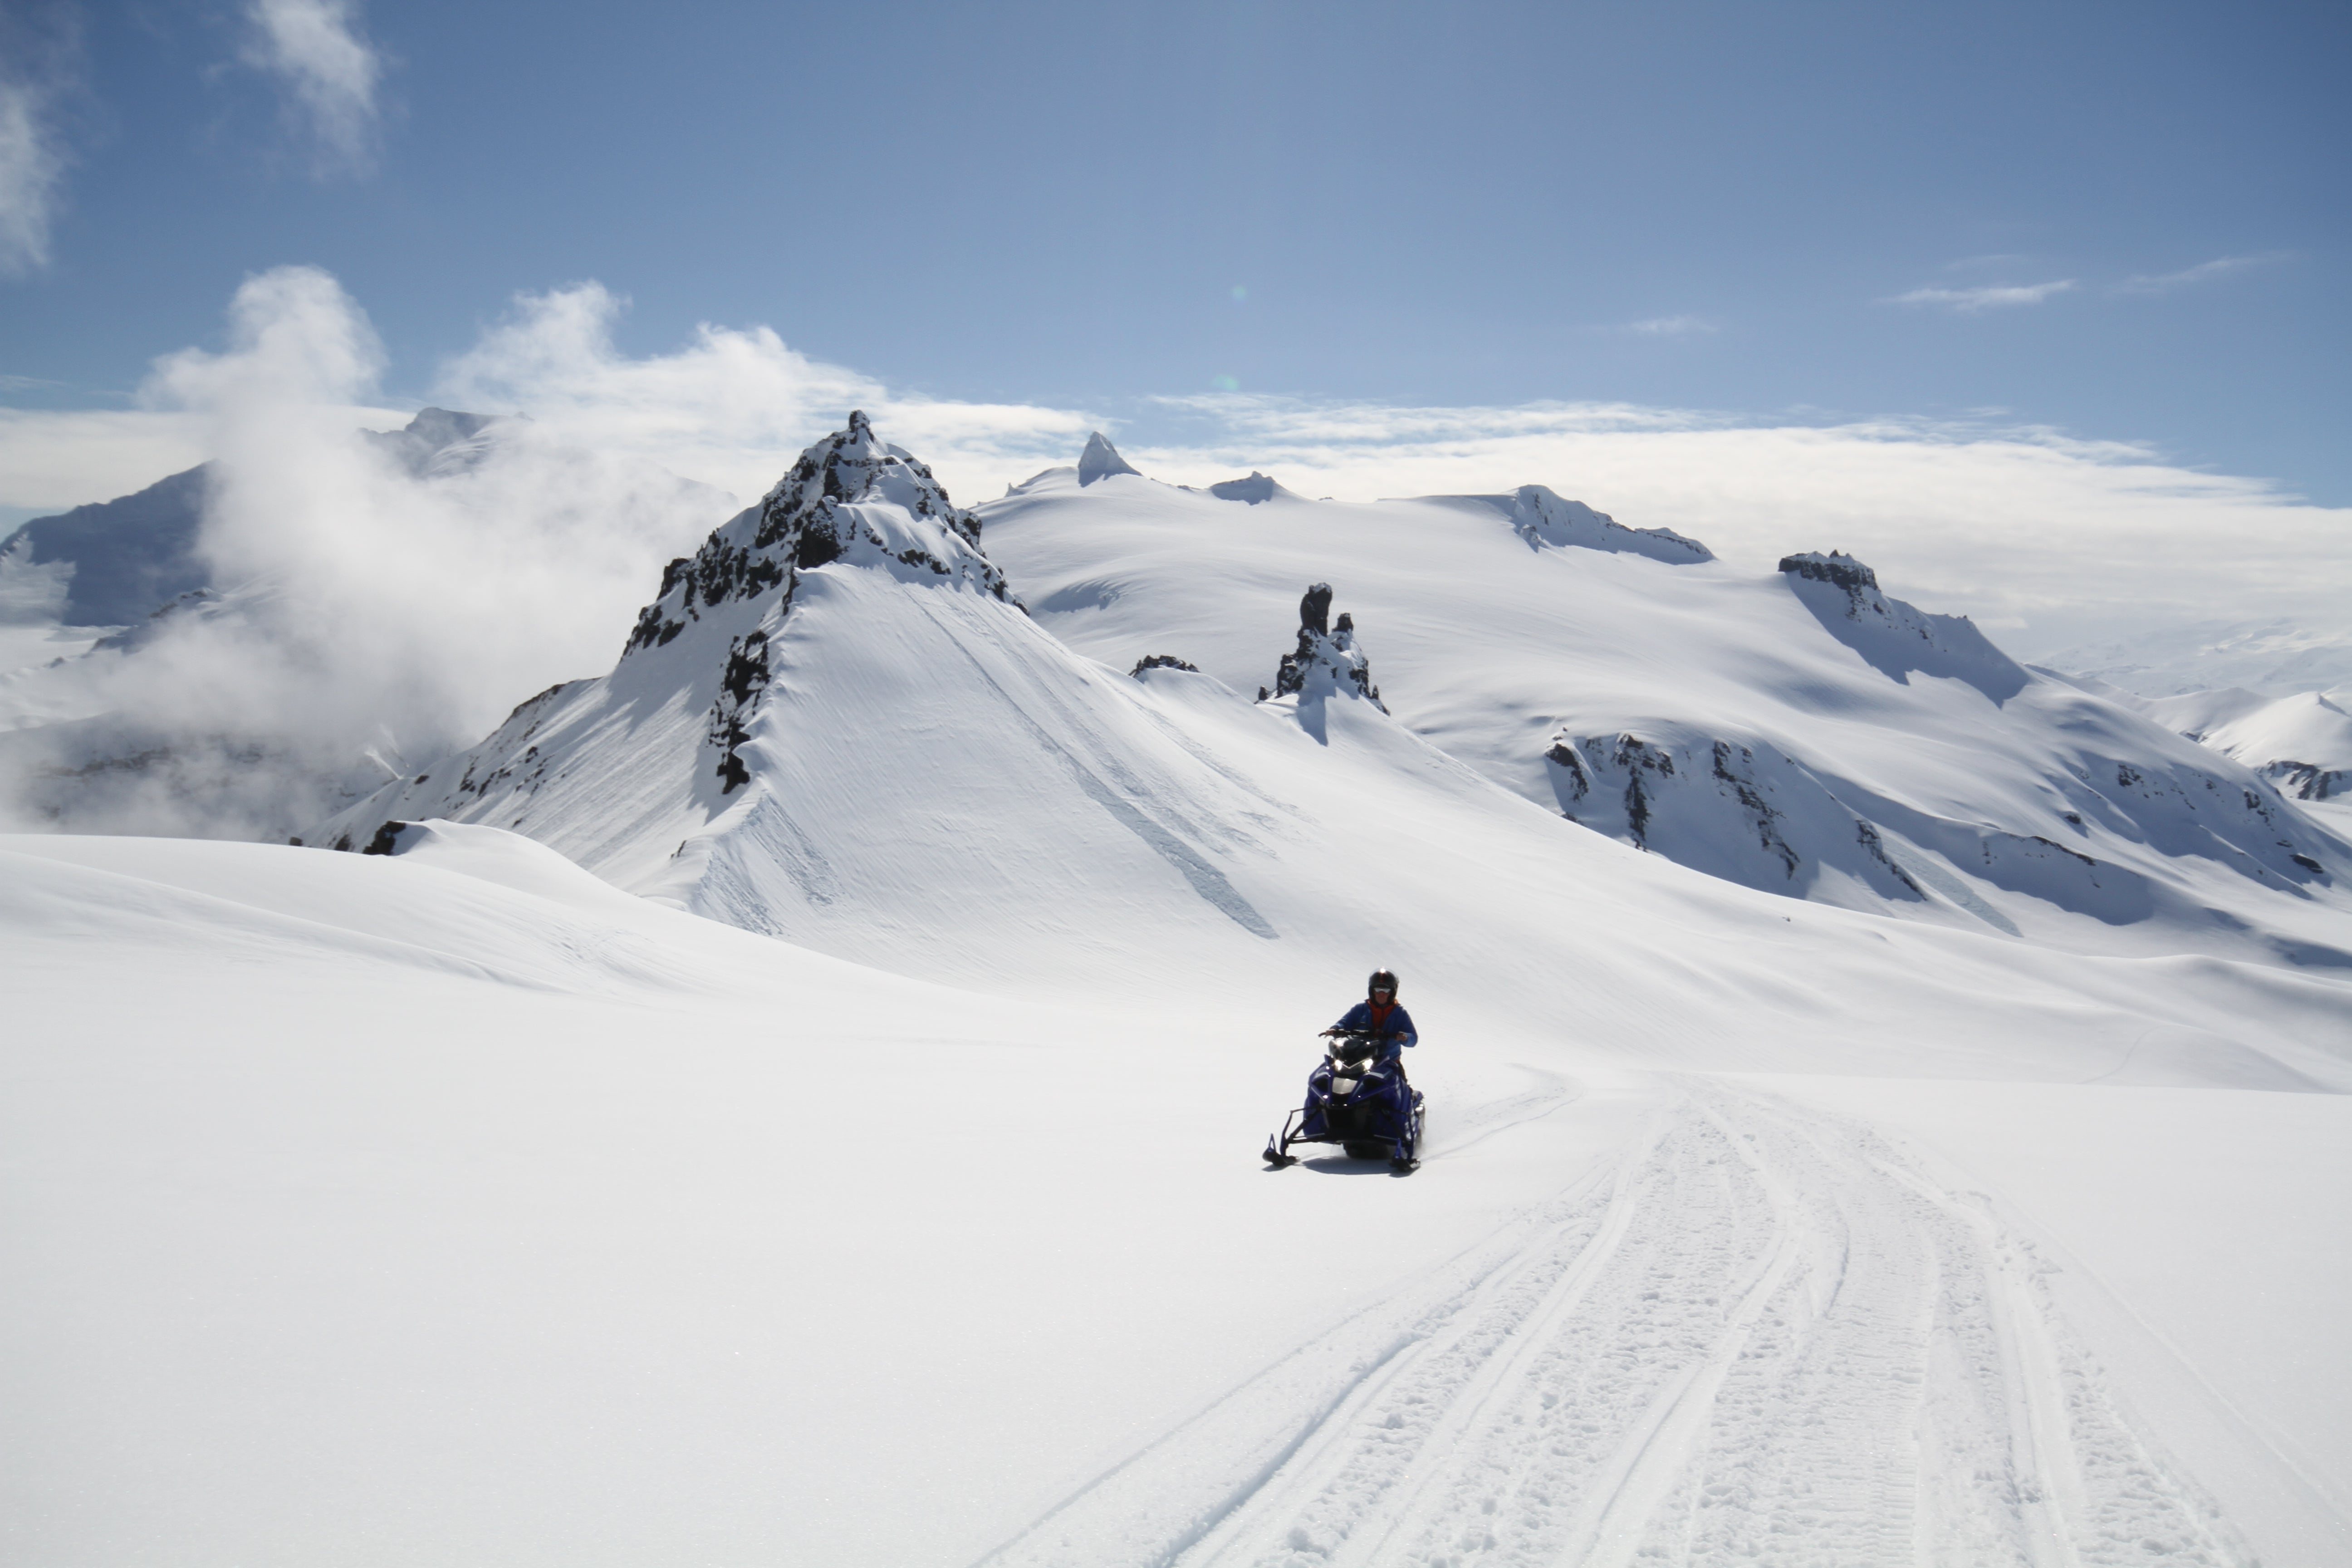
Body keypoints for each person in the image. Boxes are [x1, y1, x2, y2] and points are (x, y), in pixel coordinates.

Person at [1325, 969, 1418, 1062]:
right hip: (1359, 1060)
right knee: (1327, 1071)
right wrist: (1335, 1029)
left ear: (1392, 992)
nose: (1382, 994)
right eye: (1378, 990)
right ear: (1372, 991)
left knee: (1398, 1077)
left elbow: (1413, 1039)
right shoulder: (1360, 1009)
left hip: (1388, 1063)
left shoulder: (1400, 1014)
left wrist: (1405, 1037)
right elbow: (1344, 1022)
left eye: (1386, 990)